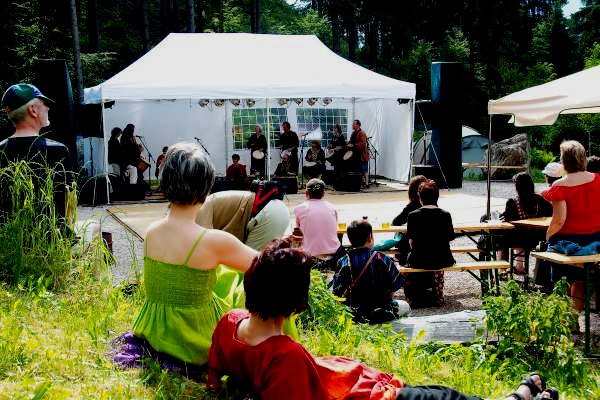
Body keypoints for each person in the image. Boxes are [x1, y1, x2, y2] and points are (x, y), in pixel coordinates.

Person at [207, 239, 558, 400]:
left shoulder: (230, 322)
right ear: (296, 299)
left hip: (355, 383)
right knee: (446, 397)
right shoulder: (284, 356)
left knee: (441, 393)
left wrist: (217, 387)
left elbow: (216, 365)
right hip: (362, 394)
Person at [113, 142, 258, 372]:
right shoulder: (214, 241)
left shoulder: (152, 231)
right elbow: (266, 265)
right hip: (195, 341)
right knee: (238, 280)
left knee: (221, 274)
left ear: (164, 182)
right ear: (206, 188)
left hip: (154, 332)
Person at [0, 83, 74, 229]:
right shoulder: (58, 151)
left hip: (8, 239)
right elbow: (69, 201)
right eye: (44, 103)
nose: (48, 108)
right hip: (52, 238)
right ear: (33, 110)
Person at [542, 140, 600, 311]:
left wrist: (548, 235)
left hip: (566, 242)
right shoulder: (598, 180)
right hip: (595, 241)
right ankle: (574, 316)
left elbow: (559, 220)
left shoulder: (560, 185)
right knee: (581, 281)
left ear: (564, 161)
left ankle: (567, 321)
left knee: (563, 282)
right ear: (583, 158)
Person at [332, 219, 408, 323]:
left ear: (350, 240)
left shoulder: (343, 261)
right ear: (370, 237)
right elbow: (394, 287)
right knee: (406, 306)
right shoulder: (382, 258)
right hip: (381, 312)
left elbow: (337, 291)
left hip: (353, 315)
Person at [196, 180, 289, 251]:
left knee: (252, 263)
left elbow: (205, 246)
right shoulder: (207, 202)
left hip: (268, 214)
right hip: (275, 210)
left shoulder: (200, 210)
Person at [405, 180, 454, 308]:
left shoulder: (412, 216)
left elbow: (411, 243)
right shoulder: (446, 215)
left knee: (407, 260)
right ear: (437, 197)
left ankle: (412, 296)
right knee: (437, 265)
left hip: (419, 259)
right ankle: (438, 294)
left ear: (420, 198)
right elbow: (449, 238)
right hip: (443, 259)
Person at [500, 172, 552, 274]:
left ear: (517, 187)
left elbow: (507, 220)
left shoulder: (512, 202)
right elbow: (551, 213)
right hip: (538, 238)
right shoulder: (540, 200)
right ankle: (524, 267)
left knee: (504, 237)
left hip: (519, 239)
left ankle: (503, 270)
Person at [373, 175, 428, 264]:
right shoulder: (433, 206)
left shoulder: (411, 207)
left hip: (413, 248)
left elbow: (396, 222)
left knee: (402, 240)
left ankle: (401, 262)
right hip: (430, 247)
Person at [293, 178, 341, 263]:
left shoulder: (299, 209)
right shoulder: (332, 208)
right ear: (323, 194)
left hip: (310, 255)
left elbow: (298, 233)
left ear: (306, 193)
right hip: (334, 254)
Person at [347, 119, 369, 188]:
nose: (352, 125)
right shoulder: (353, 133)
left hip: (362, 154)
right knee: (358, 169)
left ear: (358, 125)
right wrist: (348, 144)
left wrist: (353, 145)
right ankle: (361, 182)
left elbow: (363, 144)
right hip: (355, 154)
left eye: (354, 124)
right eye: (352, 124)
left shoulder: (362, 133)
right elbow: (351, 141)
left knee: (364, 169)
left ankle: (366, 184)